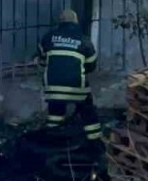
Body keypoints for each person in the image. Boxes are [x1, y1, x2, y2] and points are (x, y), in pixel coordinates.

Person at [38, 9, 101, 145]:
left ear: (60, 22)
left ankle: (52, 141)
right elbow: (91, 65)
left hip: (53, 88)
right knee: (88, 110)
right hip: (77, 87)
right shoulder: (84, 40)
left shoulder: (48, 37)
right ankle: (95, 142)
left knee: (55, 113)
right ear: (75, 21)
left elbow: (42, 60)